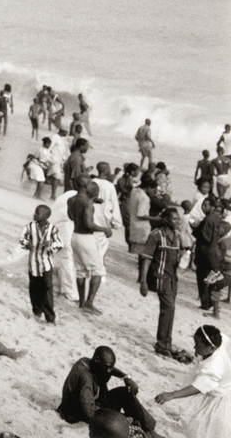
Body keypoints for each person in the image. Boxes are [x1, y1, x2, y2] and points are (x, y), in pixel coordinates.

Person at [57, 345, 156, 435]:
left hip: (94, 402)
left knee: (125, 393)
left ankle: (150, 430)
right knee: (119, 423)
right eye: (107, 367)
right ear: (97, 360)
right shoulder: (84, 377)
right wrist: (120, 419)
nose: (109, 371)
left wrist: (126, 377)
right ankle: (139, 426)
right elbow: (89, 412)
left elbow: (111, 368)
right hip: (77, 414)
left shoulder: (88, 362)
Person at [155, 325, 231, 437]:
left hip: (219, 398)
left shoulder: (213, 365)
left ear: (210, 347)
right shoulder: (220, 339)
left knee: (207, 430)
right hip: (221, 383)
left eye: (198, 345)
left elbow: (197, 387)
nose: (194, 348)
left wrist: (171, 395)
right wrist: (200, 353)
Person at [139, 205, 186, 358]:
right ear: (165, 220)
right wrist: (143, 281)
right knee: (168, 308)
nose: (177, 221)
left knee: (171, 311)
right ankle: (161, 343)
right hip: (161, 278)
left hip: (172, 279)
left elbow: (179, 257)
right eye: (174, 219)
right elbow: (146, 259)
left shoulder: (177, 236)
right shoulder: (156, 235)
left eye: (178, 219)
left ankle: (167, 342)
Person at [68, 175, 111, 315]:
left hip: (74, 236)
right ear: (87, 187)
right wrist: (104, 229)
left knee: (81, 270)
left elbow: (71, 216)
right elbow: (89, 224)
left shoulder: (72, 199)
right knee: (98, 270)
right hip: (86, 238)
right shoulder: (87, 202)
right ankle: (89, 303)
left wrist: (92, 202)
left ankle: (81, 302)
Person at [19, 204, 63, 324]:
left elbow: (60, 244)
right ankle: (37, 311)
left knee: (47, 288)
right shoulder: (30, 226)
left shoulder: (52, 229)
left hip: (46, 264)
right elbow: (22, 238)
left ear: (45, 216)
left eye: (37, 213)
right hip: (33, 263)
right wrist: (26, 243)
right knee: (34, 288)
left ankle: (50, 316)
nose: (34, 215)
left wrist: (50, 246)